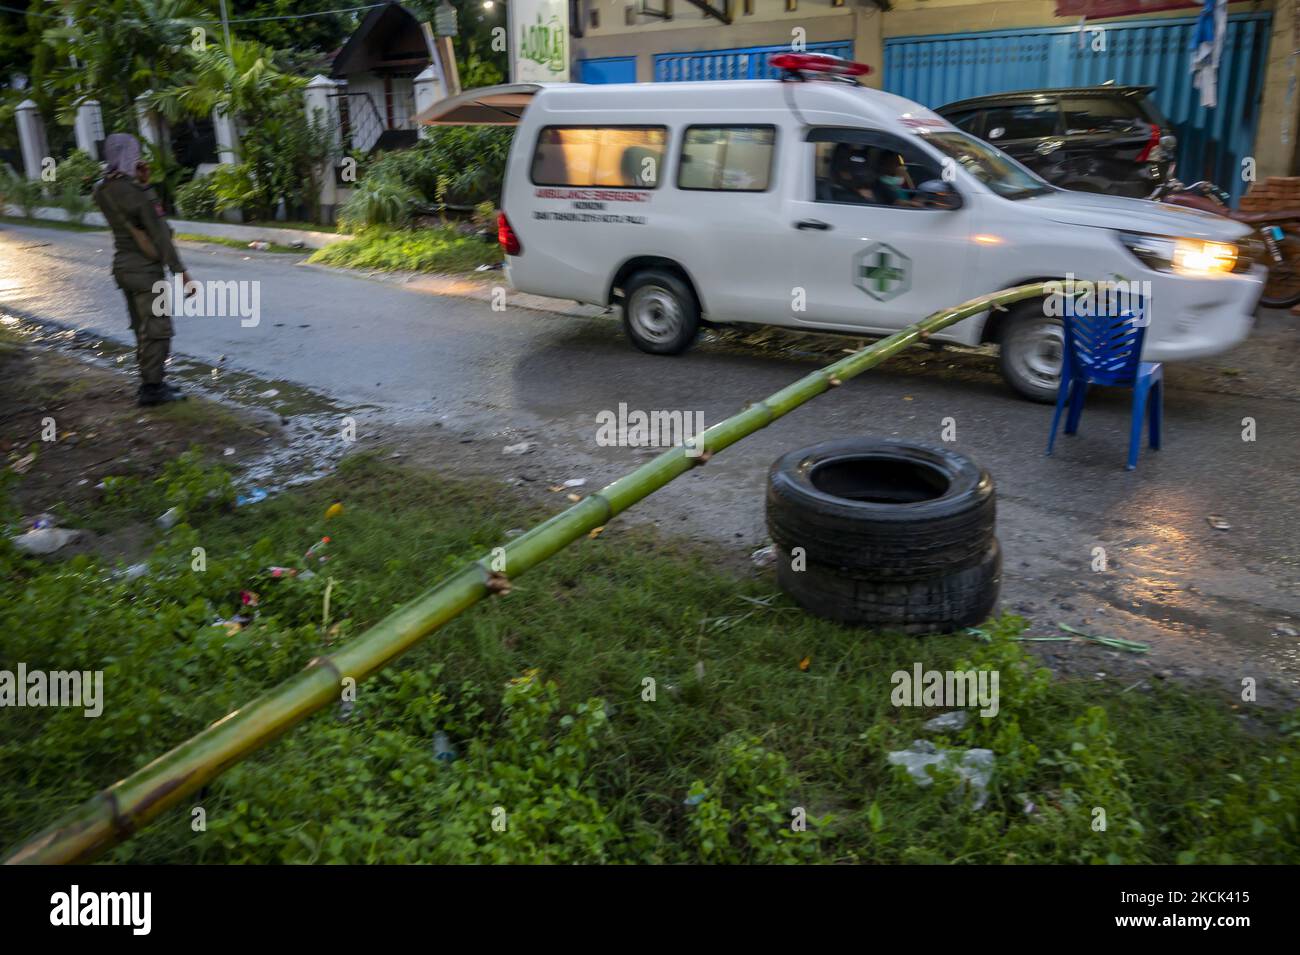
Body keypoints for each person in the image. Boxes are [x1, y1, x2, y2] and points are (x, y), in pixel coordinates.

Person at [92, 132, 193, 406]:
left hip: (123, 269)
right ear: (130, 156)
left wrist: (138, 182)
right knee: (159, 329)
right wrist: (183, 274)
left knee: (141, 328)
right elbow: (160, 234)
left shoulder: (101, 190)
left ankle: (150, 381)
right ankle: (153, 389)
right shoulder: (137, 193)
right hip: (146, 272)